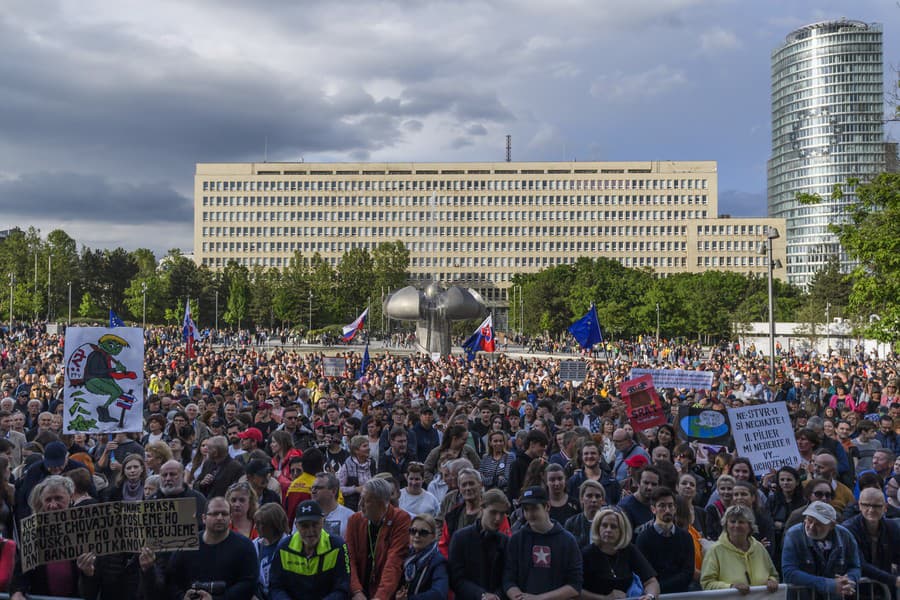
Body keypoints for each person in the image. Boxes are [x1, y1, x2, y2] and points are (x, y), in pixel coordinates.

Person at [141, 496, 258, 599]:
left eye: (224, 513)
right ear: (203, 518)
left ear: (230, 518)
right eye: (214, 513)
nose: (219, 517)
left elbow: (248, 583)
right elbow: (172, 581)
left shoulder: (245, 546)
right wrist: (182, 597)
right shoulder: (187, 544)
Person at [9, 475, 98, 599]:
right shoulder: (34, 531)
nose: (53, 505)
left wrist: (89, 573)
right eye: (48, 500)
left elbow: (100, 578)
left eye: (58, 498)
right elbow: (22, 570)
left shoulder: (86, 528)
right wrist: (17, 591)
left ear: (71, 497)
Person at [503, 486, 582, 599]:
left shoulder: (567, 541)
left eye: (534, 508)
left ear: (547, 506)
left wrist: (540, 598)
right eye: (526, 509)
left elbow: (575, 586)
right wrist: (518, 597)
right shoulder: (516, 540)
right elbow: (508, 579)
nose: (530, 514)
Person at [268, 499, 351, 600]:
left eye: (315, 524)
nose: (310, 531)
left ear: (323, 521)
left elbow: (343, 588)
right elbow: (276, 587)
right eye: (304, 526)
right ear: (296, 525)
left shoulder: (338, 546)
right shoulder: (284, 548)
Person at [346, 478, 411, 600]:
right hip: (359, 590)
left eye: (366, 501)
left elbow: (394, 560)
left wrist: (381, 597)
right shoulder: (354, 520)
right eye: (361, 498)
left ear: (381, 504)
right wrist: (356, 591)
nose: (360, 504)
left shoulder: (401, 519)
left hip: (386, 592)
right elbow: (349, 558)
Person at [781, 501, 861, 600]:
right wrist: (828, 584)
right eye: (809, 520)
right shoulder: (794, 535)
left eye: (818, 524)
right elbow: (789, 572)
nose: (811, 526)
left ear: (832, 525)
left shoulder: (845, 535)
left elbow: (855, 566)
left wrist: (848, 580)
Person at [580, 507, 660, 600]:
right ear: (597, 527)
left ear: (622, 530)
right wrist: (604, 598)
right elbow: (575, 590)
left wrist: (650, 596)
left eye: (613, 526)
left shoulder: (629, 550)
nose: (608, 530)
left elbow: (651, 582)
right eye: (604, 525)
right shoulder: (586, 554)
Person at [700, 505, 780, 592]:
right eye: (732, 521)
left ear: (750, 526)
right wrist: (730, 587)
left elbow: (773, 575)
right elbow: (707, 583)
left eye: (741, 522)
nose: (736, 525)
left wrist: (772, 581)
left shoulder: (759, 548)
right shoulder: (715, 550)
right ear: (726, 524)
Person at [448, 489, 510, 600]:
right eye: (493, 512)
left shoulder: (505, 541)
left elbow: (508, 578)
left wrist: (496, 596)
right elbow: (456, 579)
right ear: (482, 508)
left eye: (502, 513)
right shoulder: (460, 538)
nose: (498, 518)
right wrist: (481, 595)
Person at [635, 487, 695, 593]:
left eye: (670, 505)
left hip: (682, 594)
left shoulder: (686, 537)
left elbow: (688, 572)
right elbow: (644, 574)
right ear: (653, 509)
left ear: (675, 508)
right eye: (662, 506)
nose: (667, 510)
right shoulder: (643, 539)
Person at [841, 487, 900, 594]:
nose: (871, 510)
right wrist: (893, 580)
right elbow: (859, 563)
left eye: (877, 506)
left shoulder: (892, 527)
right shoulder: (848, 529)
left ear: (885, 507)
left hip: (884, 590)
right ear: (859, 505)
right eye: (866, 505)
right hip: (857, 590)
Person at [398, 513, 448, 600]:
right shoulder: (405, 555)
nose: (417, 535)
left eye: (423, 533)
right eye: (413, 531)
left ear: (433, 536)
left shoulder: (438, 561)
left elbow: (439, 593)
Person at [152, 459, 208, 529]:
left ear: (183, 475)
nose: (168, 478)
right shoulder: (151, 500)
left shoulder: (198, 499)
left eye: (172, 474)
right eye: (164, 475)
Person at [252, 502, 290, 600]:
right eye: (256, 523)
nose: (256, 527)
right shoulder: (254, 546)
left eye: (260, 524)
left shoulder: (290, 545)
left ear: (274, 525)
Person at [193, 435, 246, 499]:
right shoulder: (208, 463)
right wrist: (202, 483)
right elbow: (196, 484)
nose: (206, 450)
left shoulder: (236, 468)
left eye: (209, 448)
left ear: (215, 453)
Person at [337, 435, 375, 512]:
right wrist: (355, 489)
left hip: (370, 504)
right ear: (356, 450)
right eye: (364, 446)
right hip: (352, 506)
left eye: (368, 445)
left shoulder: (372, 463)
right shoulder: (347, 466)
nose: (368, 448)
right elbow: (339, 488)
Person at [312, 472, 355, 539]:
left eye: (318, 488)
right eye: (312, 488)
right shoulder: (305, 515)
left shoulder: (349, 516)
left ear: (333, 491)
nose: (313, 491)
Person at [564, 480, 606, 548]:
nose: (594, 500)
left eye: (597, 496)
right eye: (589, 496)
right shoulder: (571, 523)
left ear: (603, 500)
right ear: (581, 499)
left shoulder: (608, 524)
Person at [619, 465, 661, 532]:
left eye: (654, 484)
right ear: (638, 483)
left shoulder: (660, 505)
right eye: (646, 483)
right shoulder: (625, 507)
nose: (649, 487)